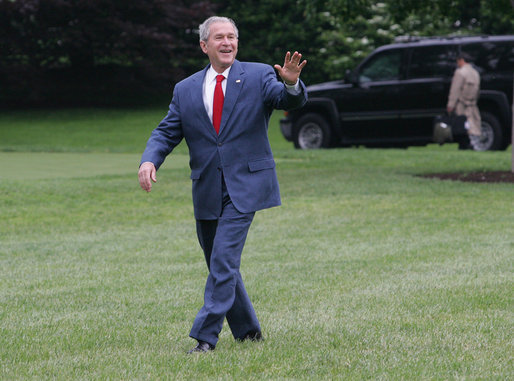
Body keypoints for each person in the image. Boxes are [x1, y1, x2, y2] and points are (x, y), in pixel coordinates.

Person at [138, 16, 307, 354]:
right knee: (219, 261)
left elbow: (286, 100)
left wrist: (290, 85)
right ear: (205, 45)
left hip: (247, 186)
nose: (227, 42)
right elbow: (167, 131)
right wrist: (149, 160)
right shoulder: (185, 89)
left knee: (223, 261)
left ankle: (205, 337)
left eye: (232, 37)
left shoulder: (259, 75)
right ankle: (248, 333)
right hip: (207, 189)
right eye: (219, 38)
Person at [447, 52, 481, 148]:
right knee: (472, 125)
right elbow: (478, 90)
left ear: (461, 60)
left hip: (461, 104)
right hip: (472, 104)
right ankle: (473, 143)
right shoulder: (475, 73)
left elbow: (455, 90)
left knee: (461, 126)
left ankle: (464, 145)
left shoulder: (460, 72)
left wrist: (451, 105)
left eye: (458, 61)